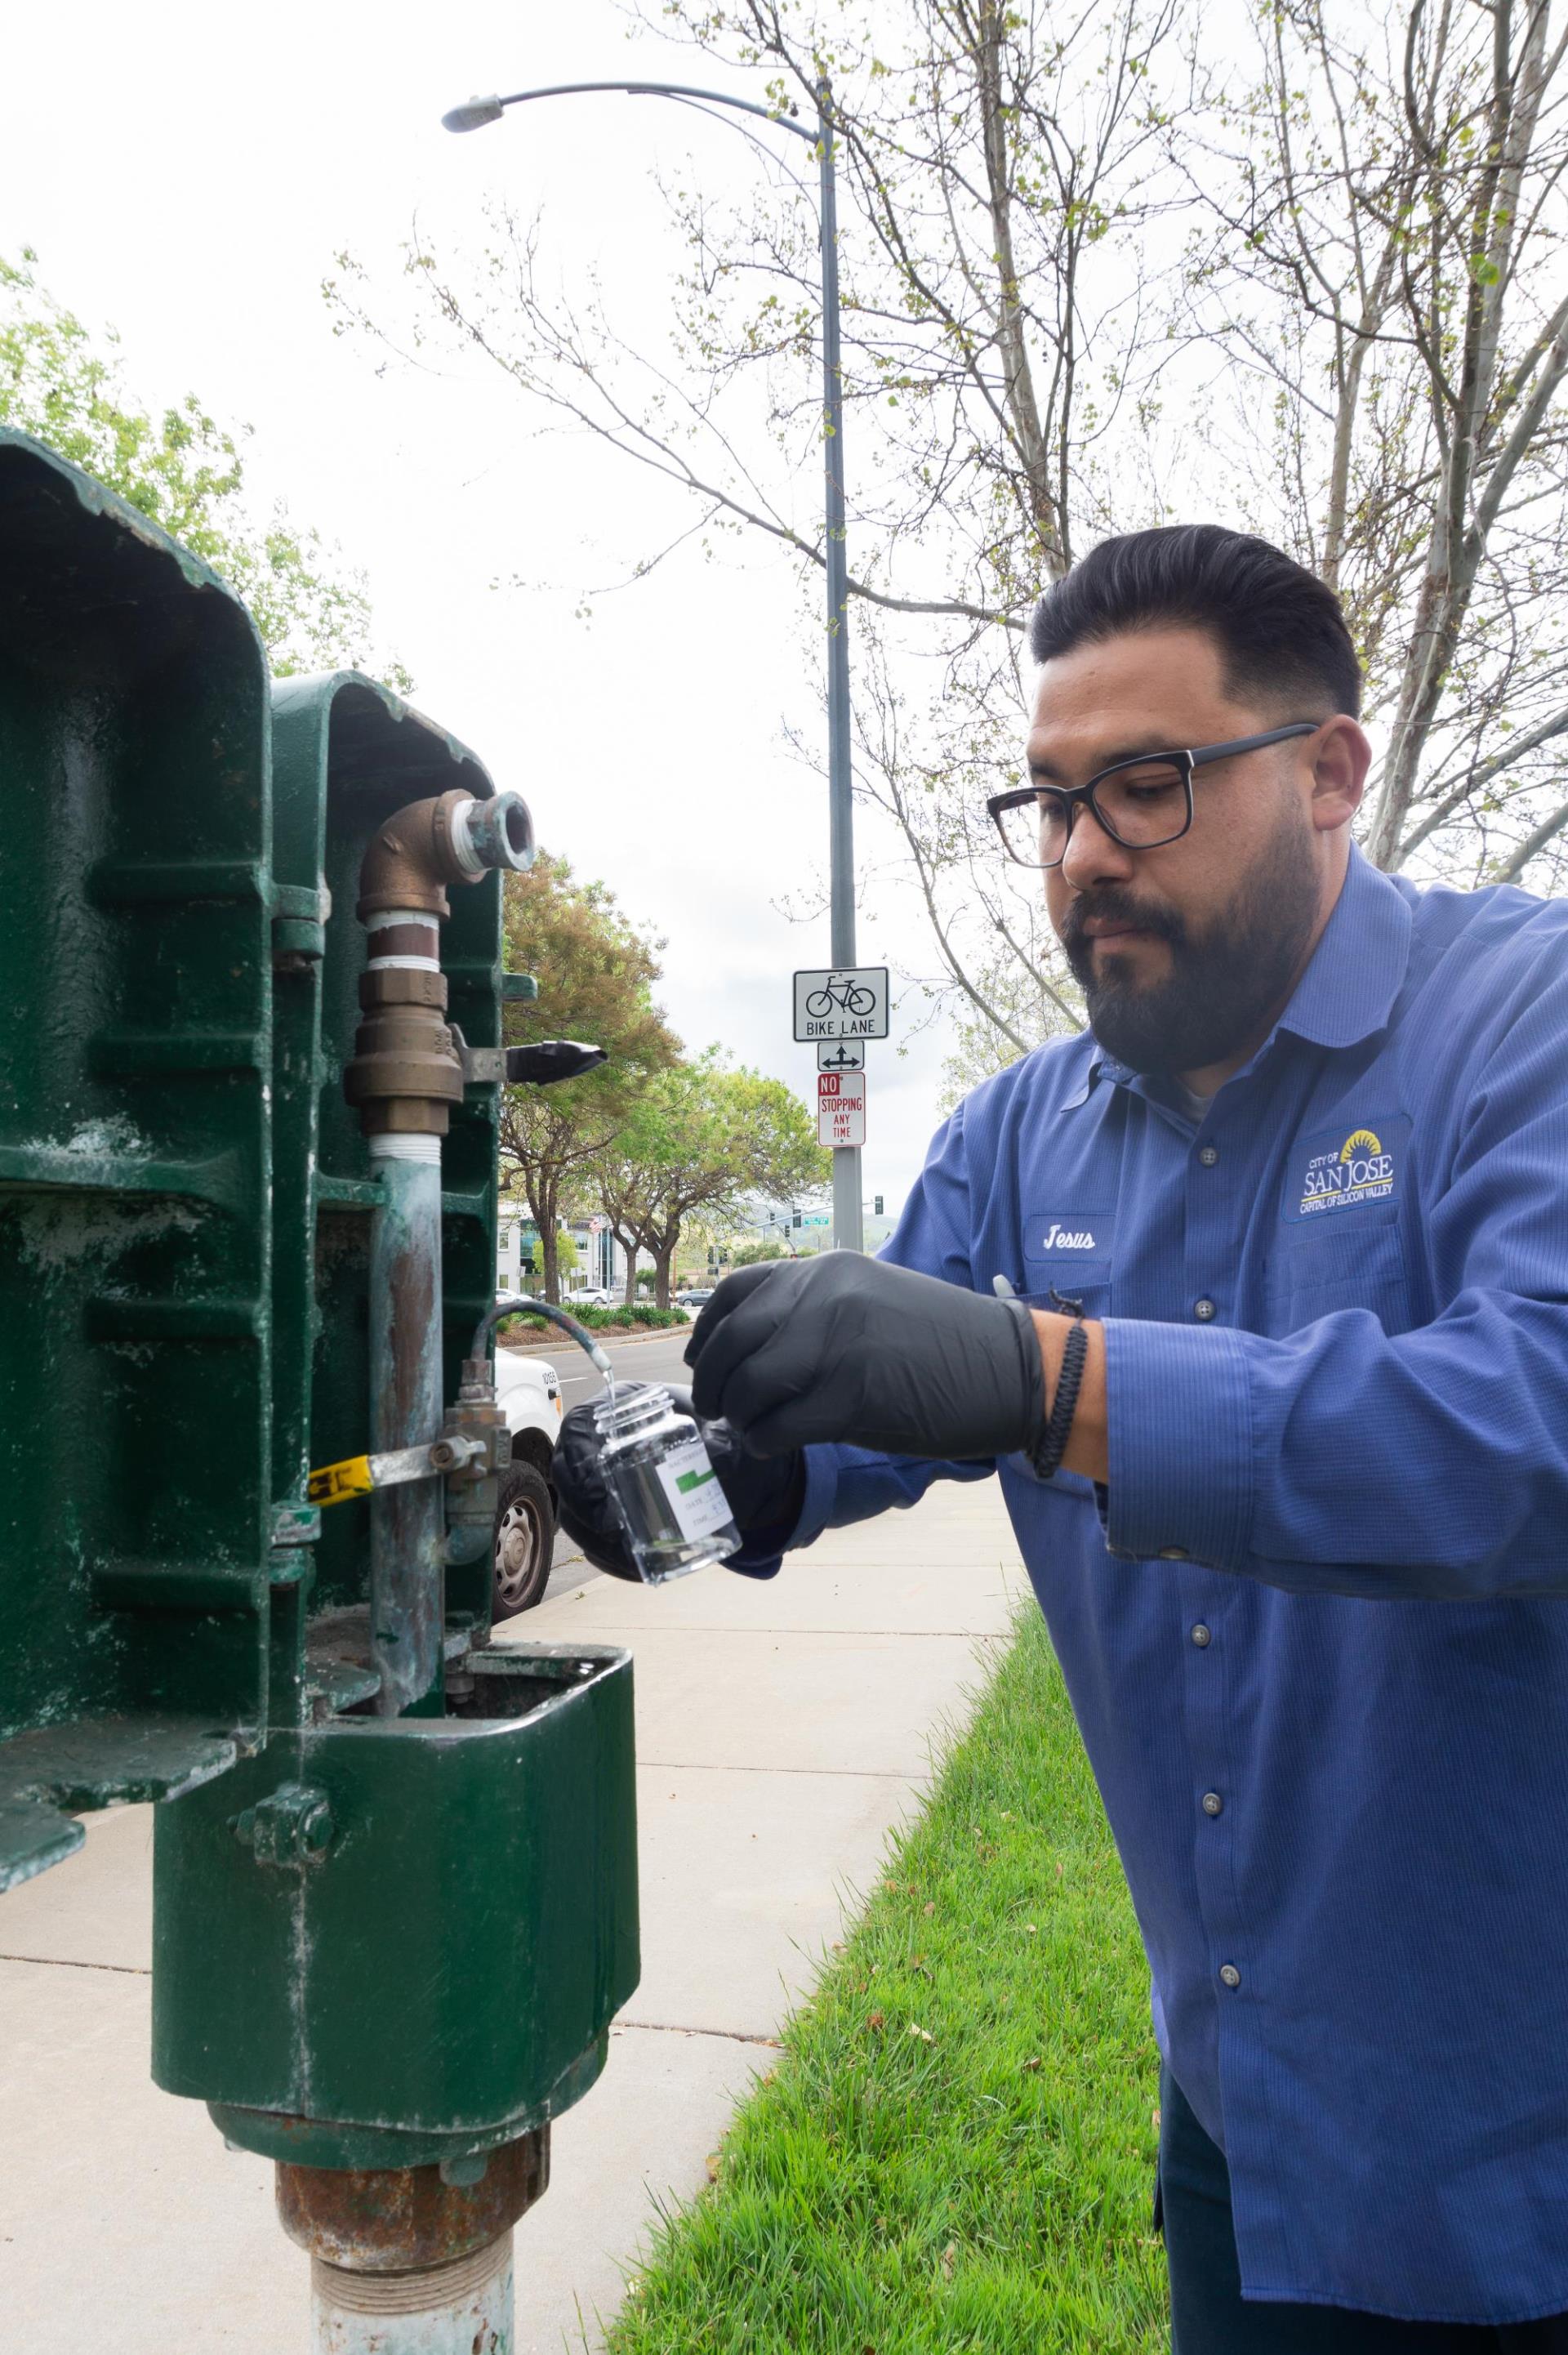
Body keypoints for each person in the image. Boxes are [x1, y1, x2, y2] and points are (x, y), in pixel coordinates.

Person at [556, 524, 1568, 2351]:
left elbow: (1531, 1428)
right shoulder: (1029, 1125)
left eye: (1148, 786)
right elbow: (902, 1391)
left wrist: (1061, 1379)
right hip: (1239, 2096)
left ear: (1332, 771)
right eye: (1048, 802)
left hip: (1518, 2122)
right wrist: (732, 1475)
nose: (1084, 848)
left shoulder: (1521, 1016)